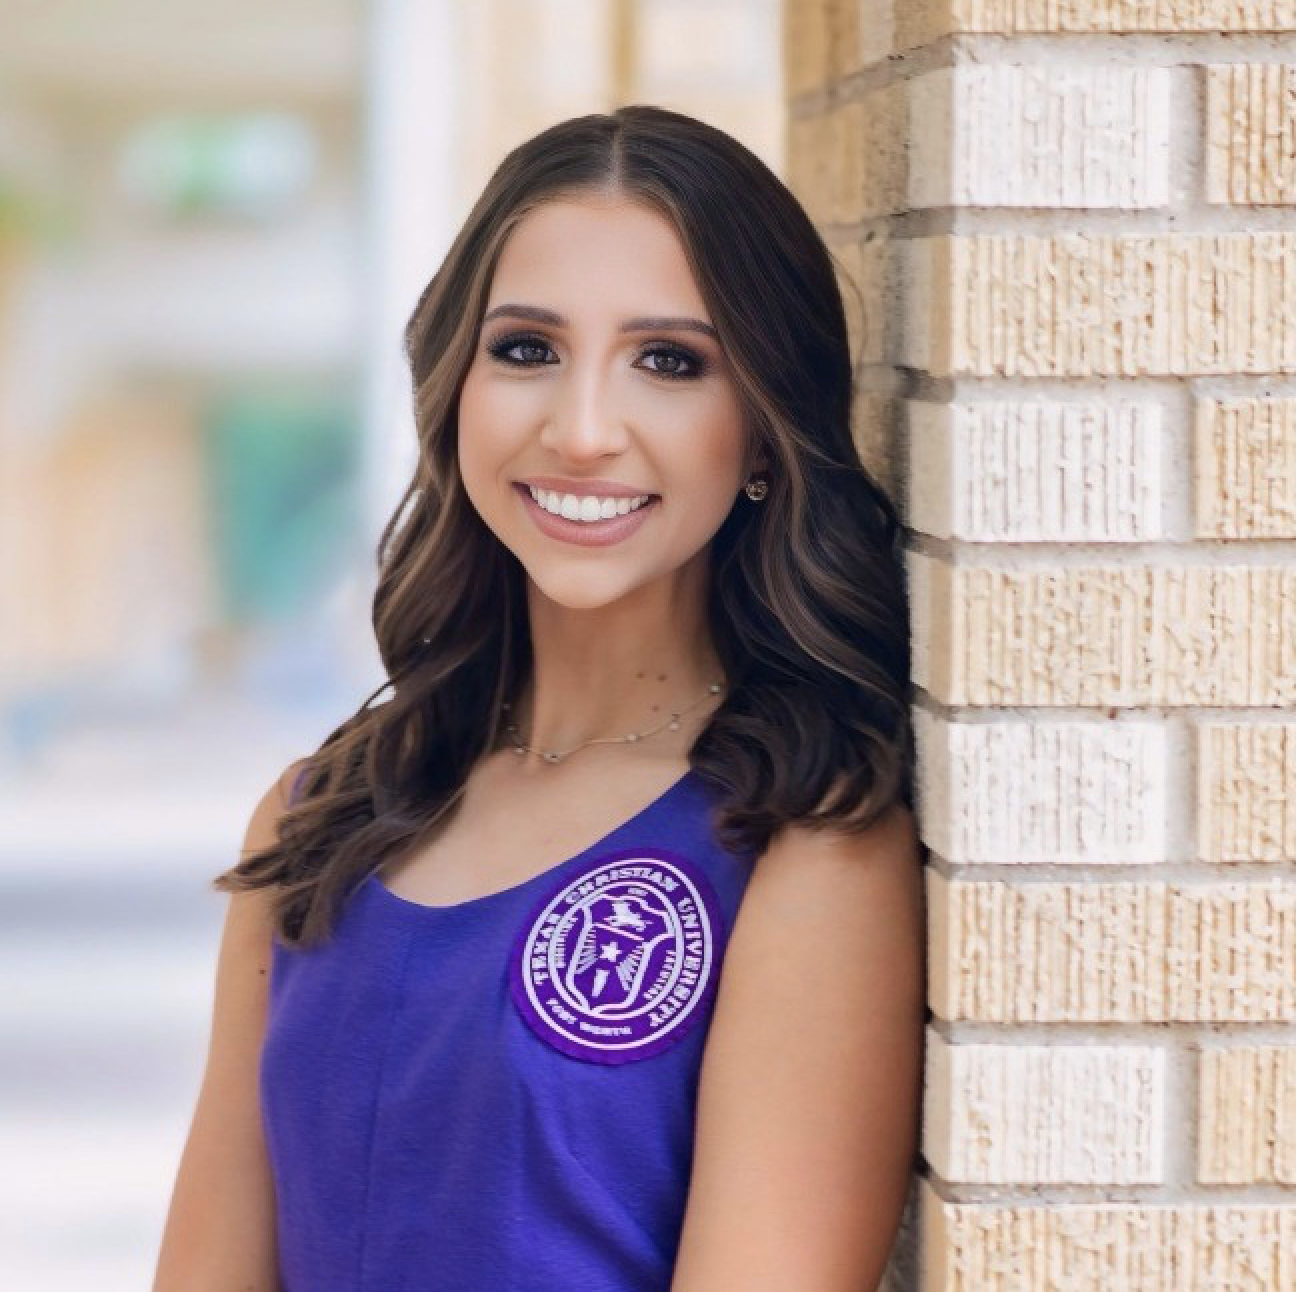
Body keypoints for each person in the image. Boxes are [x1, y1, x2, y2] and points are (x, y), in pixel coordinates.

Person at [153, 103, 925, 1292]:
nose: (582, 429)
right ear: (455, 383)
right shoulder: (318, 819)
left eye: (670, 361)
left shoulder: (801, 848)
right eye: (527, 349)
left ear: (764, 434)